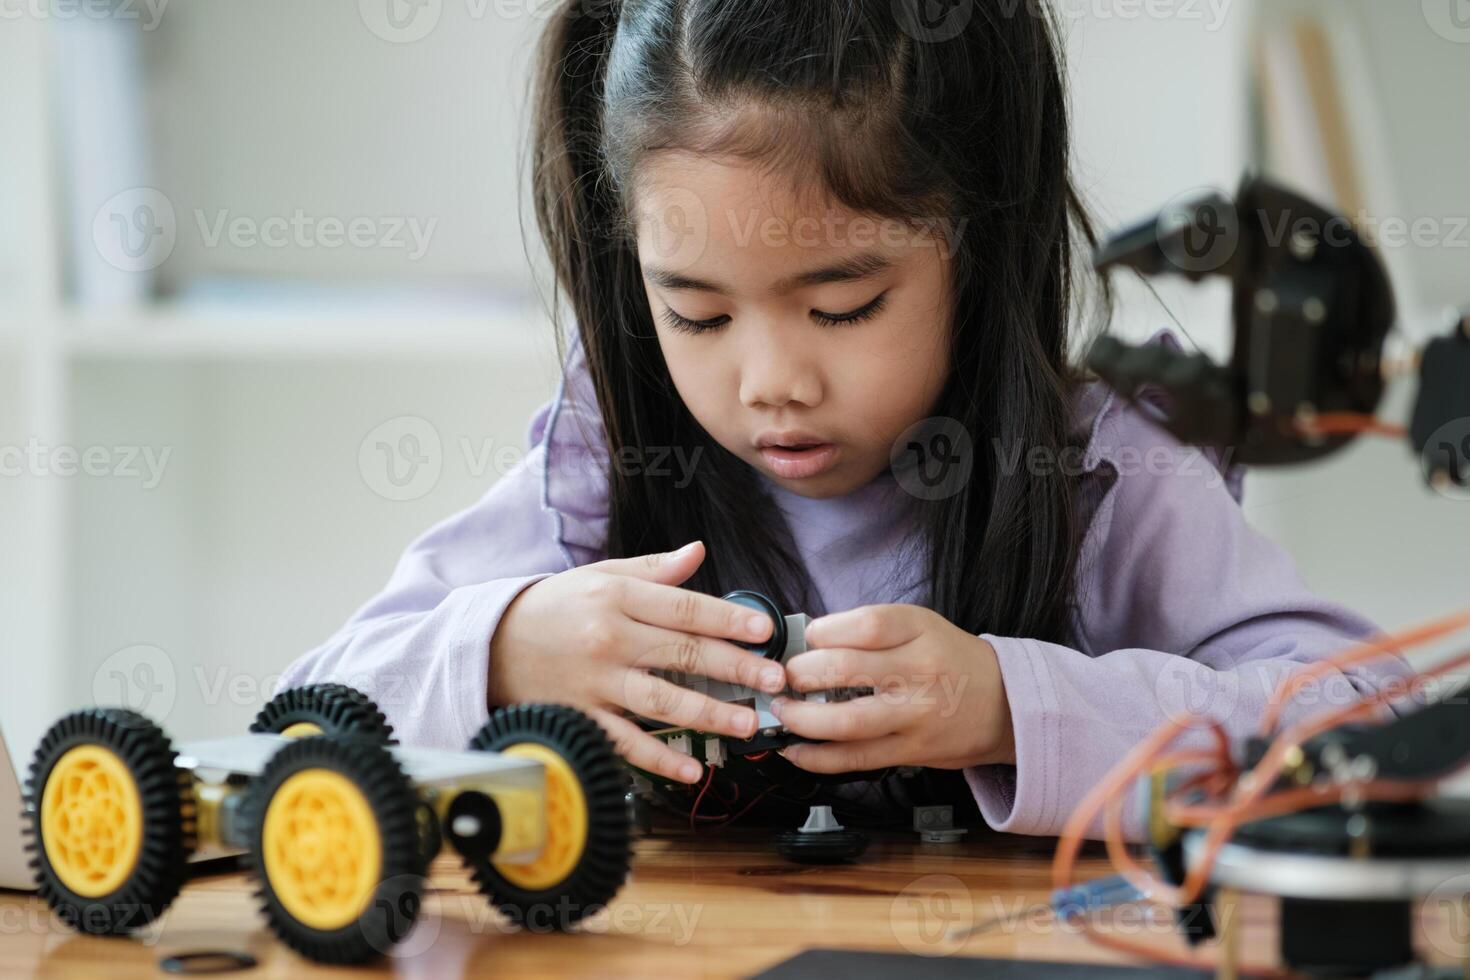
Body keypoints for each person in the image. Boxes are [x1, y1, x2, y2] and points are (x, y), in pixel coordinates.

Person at [277, 0, 1404, 837]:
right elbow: (307, 714)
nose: (771, 382)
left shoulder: (1105, 473)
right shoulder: (610, 463)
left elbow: (1372, 736)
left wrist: (1012, 706)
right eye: (697, 313)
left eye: (843, 305)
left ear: (983, 248)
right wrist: (510, 646)